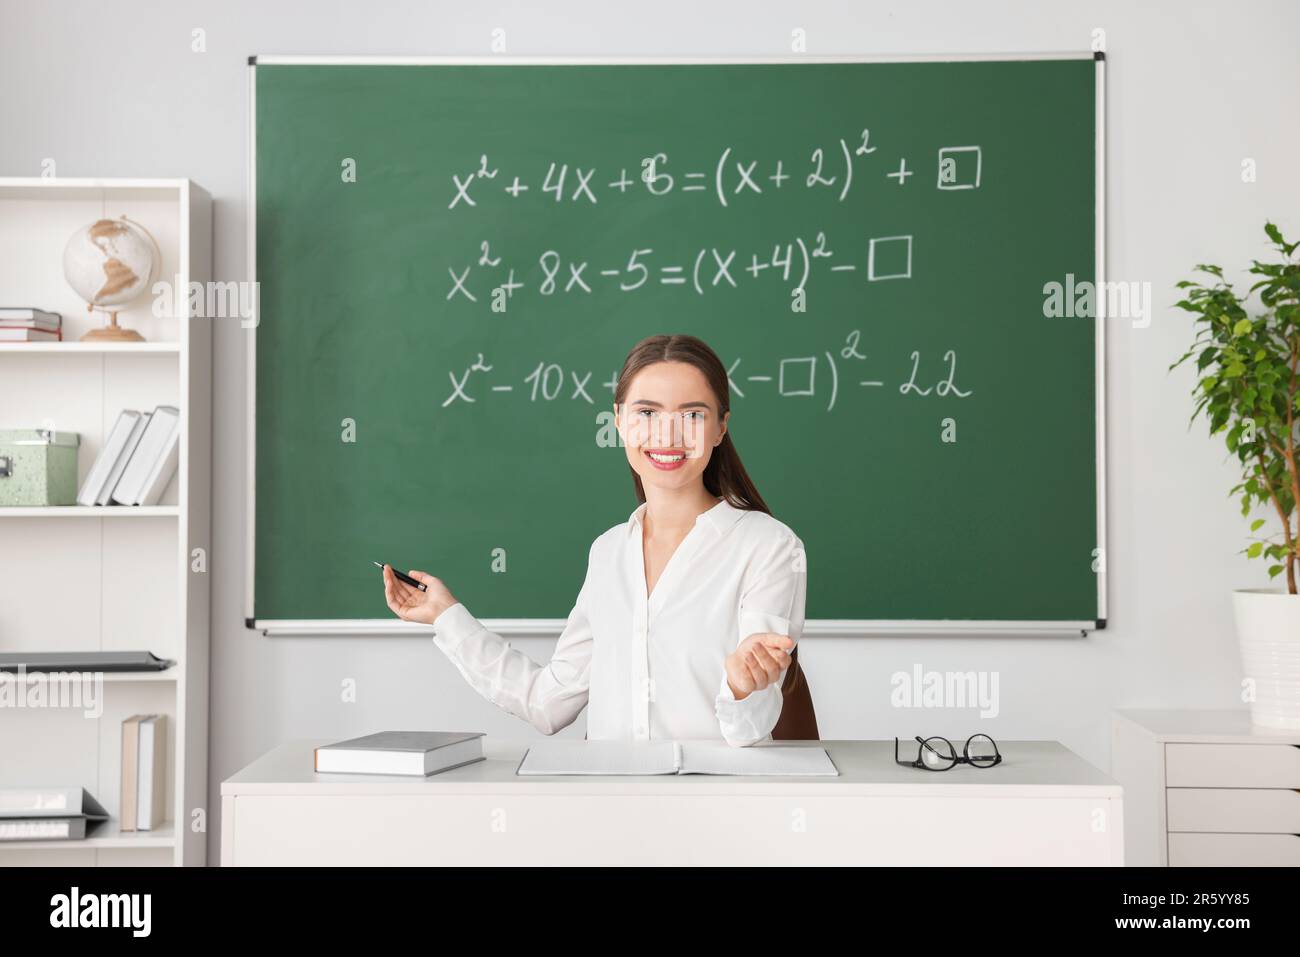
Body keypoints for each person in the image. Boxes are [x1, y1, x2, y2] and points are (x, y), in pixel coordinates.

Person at [383, 333, 808, 746]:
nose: (668, 435)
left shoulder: (769, 547)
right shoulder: (609, 552)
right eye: (647, 412)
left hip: (719, 791)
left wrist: (742, 687)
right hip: (610, 790)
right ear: (619, 421)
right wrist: (445, 616)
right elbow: (546, 704)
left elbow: (751, 730)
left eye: (692, 415)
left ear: (720, 428)